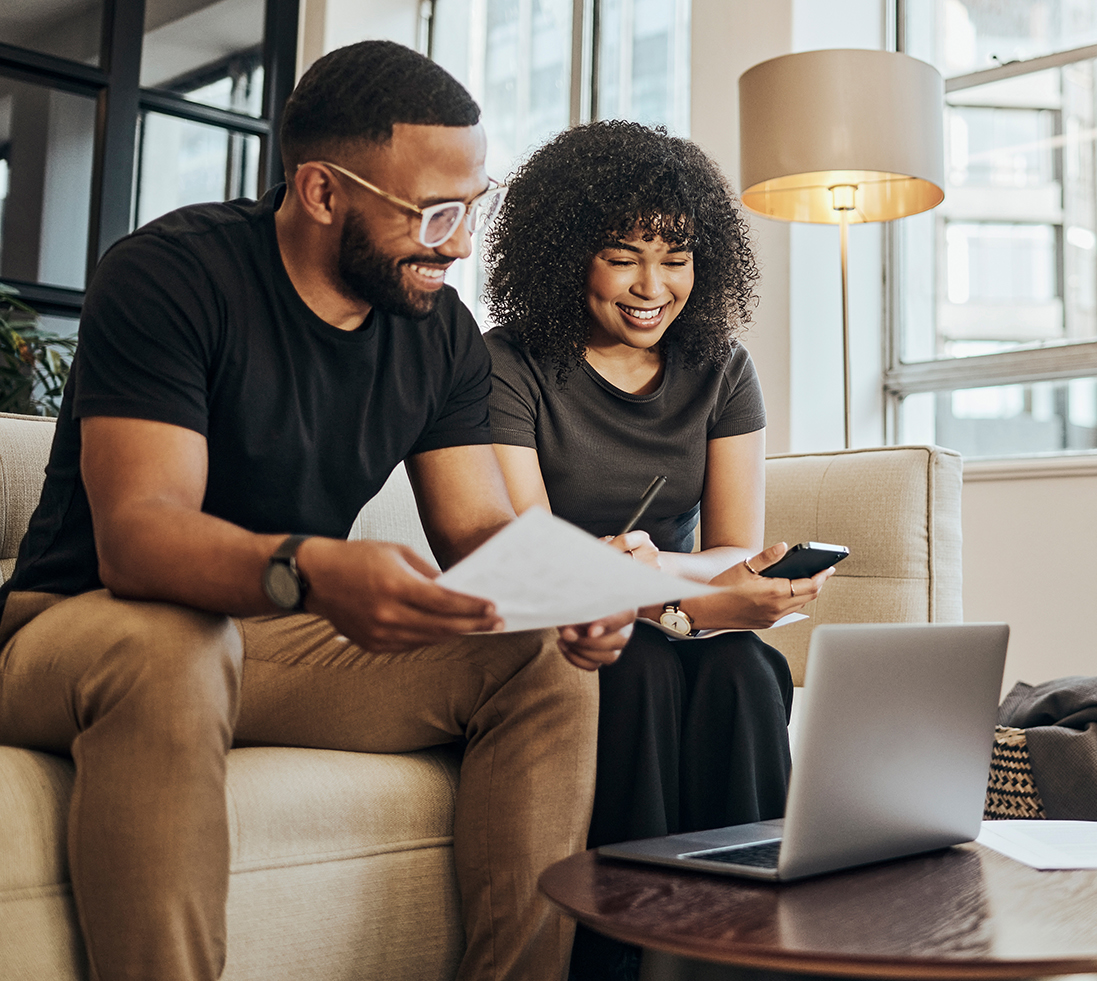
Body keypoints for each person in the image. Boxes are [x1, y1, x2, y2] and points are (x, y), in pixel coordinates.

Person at [0, 41, 633, 981]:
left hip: (271, 639)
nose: (459, 243)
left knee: (541, 659)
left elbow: (477, 533)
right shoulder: (170, 276)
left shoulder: (440, 334)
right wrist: (314, 569)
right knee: (177, 644)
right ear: (322, 192)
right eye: (434, 213)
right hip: (79, 626)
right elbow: (139, 538)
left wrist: (580, 584)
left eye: (475, 204)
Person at [483, 121, 835, 979]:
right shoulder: (507, 364)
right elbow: (531, 549)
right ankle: (625, 959)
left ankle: (760, 955)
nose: (653, 286)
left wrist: (675, 586)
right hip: (562, 620)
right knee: (631, 671)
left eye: (675, 257)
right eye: (623, 255)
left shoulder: (719, 367)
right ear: (566, 253)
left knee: (747, 669)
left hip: (674, 613)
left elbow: (734, 551)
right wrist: (684, 595)